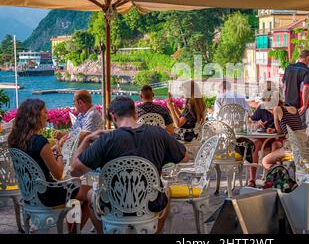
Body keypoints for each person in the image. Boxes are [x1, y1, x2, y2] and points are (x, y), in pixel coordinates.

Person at [70, 96, 188, 234]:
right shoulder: (159, 134)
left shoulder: (105, 140)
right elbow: (185, 157)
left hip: (113, 206)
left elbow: (74, 170)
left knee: (91, 194)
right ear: (136, 113)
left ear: (113, 117)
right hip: (150, 204)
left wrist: (87, 140)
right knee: (166, 192)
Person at [7, 99, 91, 233]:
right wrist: (58, 152)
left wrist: (50, 151)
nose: (48, 115)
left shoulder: (14, 140)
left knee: (76, 193)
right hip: (47, 194)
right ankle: (74, 232)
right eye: (45, 112)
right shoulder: (40, 141)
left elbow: (33, 158)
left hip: (29, 195)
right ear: (35, 116)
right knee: (88, 192)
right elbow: (58, 174)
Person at [261, 99, 303, 171]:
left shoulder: (276, 109)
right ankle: (283, 175)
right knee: (276, 150)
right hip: (304, 146)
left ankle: (282, 175)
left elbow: (279, 131)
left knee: (265, 161)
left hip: (292, 147)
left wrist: (274, 115)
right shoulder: (294, 108)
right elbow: (294, 127)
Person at [282, 49, 309, 124]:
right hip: (299, 106)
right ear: (307, 58)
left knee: (290, 127)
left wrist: (285, 100)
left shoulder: (288, 68)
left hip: (288, 104)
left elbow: (284, 86)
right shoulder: (307, 71)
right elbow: (305, 88)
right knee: (301, 129)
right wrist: (305, 105)